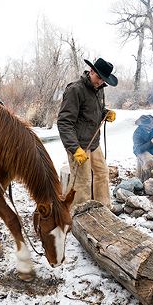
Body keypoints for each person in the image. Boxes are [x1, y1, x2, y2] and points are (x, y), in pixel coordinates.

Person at [57, 58, 117, 208]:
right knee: (82, 181)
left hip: (94, 143)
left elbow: (91, 112)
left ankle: (103, 209)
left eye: (104, 81)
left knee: (102, 174)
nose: (100, 83)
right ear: (91, 71)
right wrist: (74, 148)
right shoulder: (75, 90)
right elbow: (64, 122)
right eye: (98, 78)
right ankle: (79, 215)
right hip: (78, 144)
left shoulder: (99, 88)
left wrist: (105, 114)